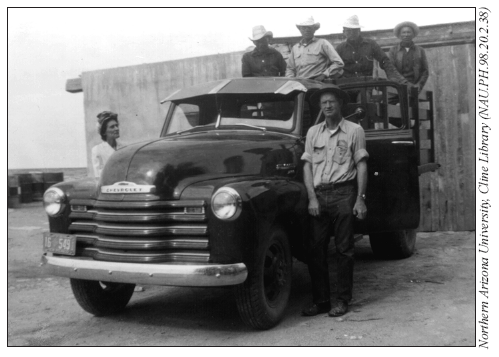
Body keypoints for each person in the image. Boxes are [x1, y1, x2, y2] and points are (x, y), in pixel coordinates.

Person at [301, 85, 368, 317]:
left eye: (332, 101)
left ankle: (342, 300)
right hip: (319, 196)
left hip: (343, 194)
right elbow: (308, 167)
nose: (328, 106)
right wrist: (311, 198)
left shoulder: (355, 130)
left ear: (341, 104)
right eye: (323, 103)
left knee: (344, 250)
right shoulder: (313, 133)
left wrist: (360, 199)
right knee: (315, 250)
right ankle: (321, 301)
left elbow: (361, 165)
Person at [336, 15, 408, 84]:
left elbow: (384, 61)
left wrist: (396, 78)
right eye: (348, 31)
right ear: (344, 32)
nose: (351, 33)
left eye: (354, 31)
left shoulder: (371, 44)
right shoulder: (340, 48)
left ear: (359, 30)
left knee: (363, 96)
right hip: (347, 85)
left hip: (366, 84)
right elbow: (333, 65)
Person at [388, 21, 429, 92]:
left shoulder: (420, 50)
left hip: (415, 86)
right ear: (400, 35)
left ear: (413, 34)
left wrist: (419, 85)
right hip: (398, 86)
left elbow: (425, 71)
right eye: (403, 32)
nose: (406, 35)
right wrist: (405, 83)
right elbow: (391, 70)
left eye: (408, 32)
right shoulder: (393, 50)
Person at [92, 111, 121, 178]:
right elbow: (98, 176)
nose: (117, 129)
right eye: (112, 127)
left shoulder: (124, 148)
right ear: (104, 132)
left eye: (116, 125)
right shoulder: (97, 150)